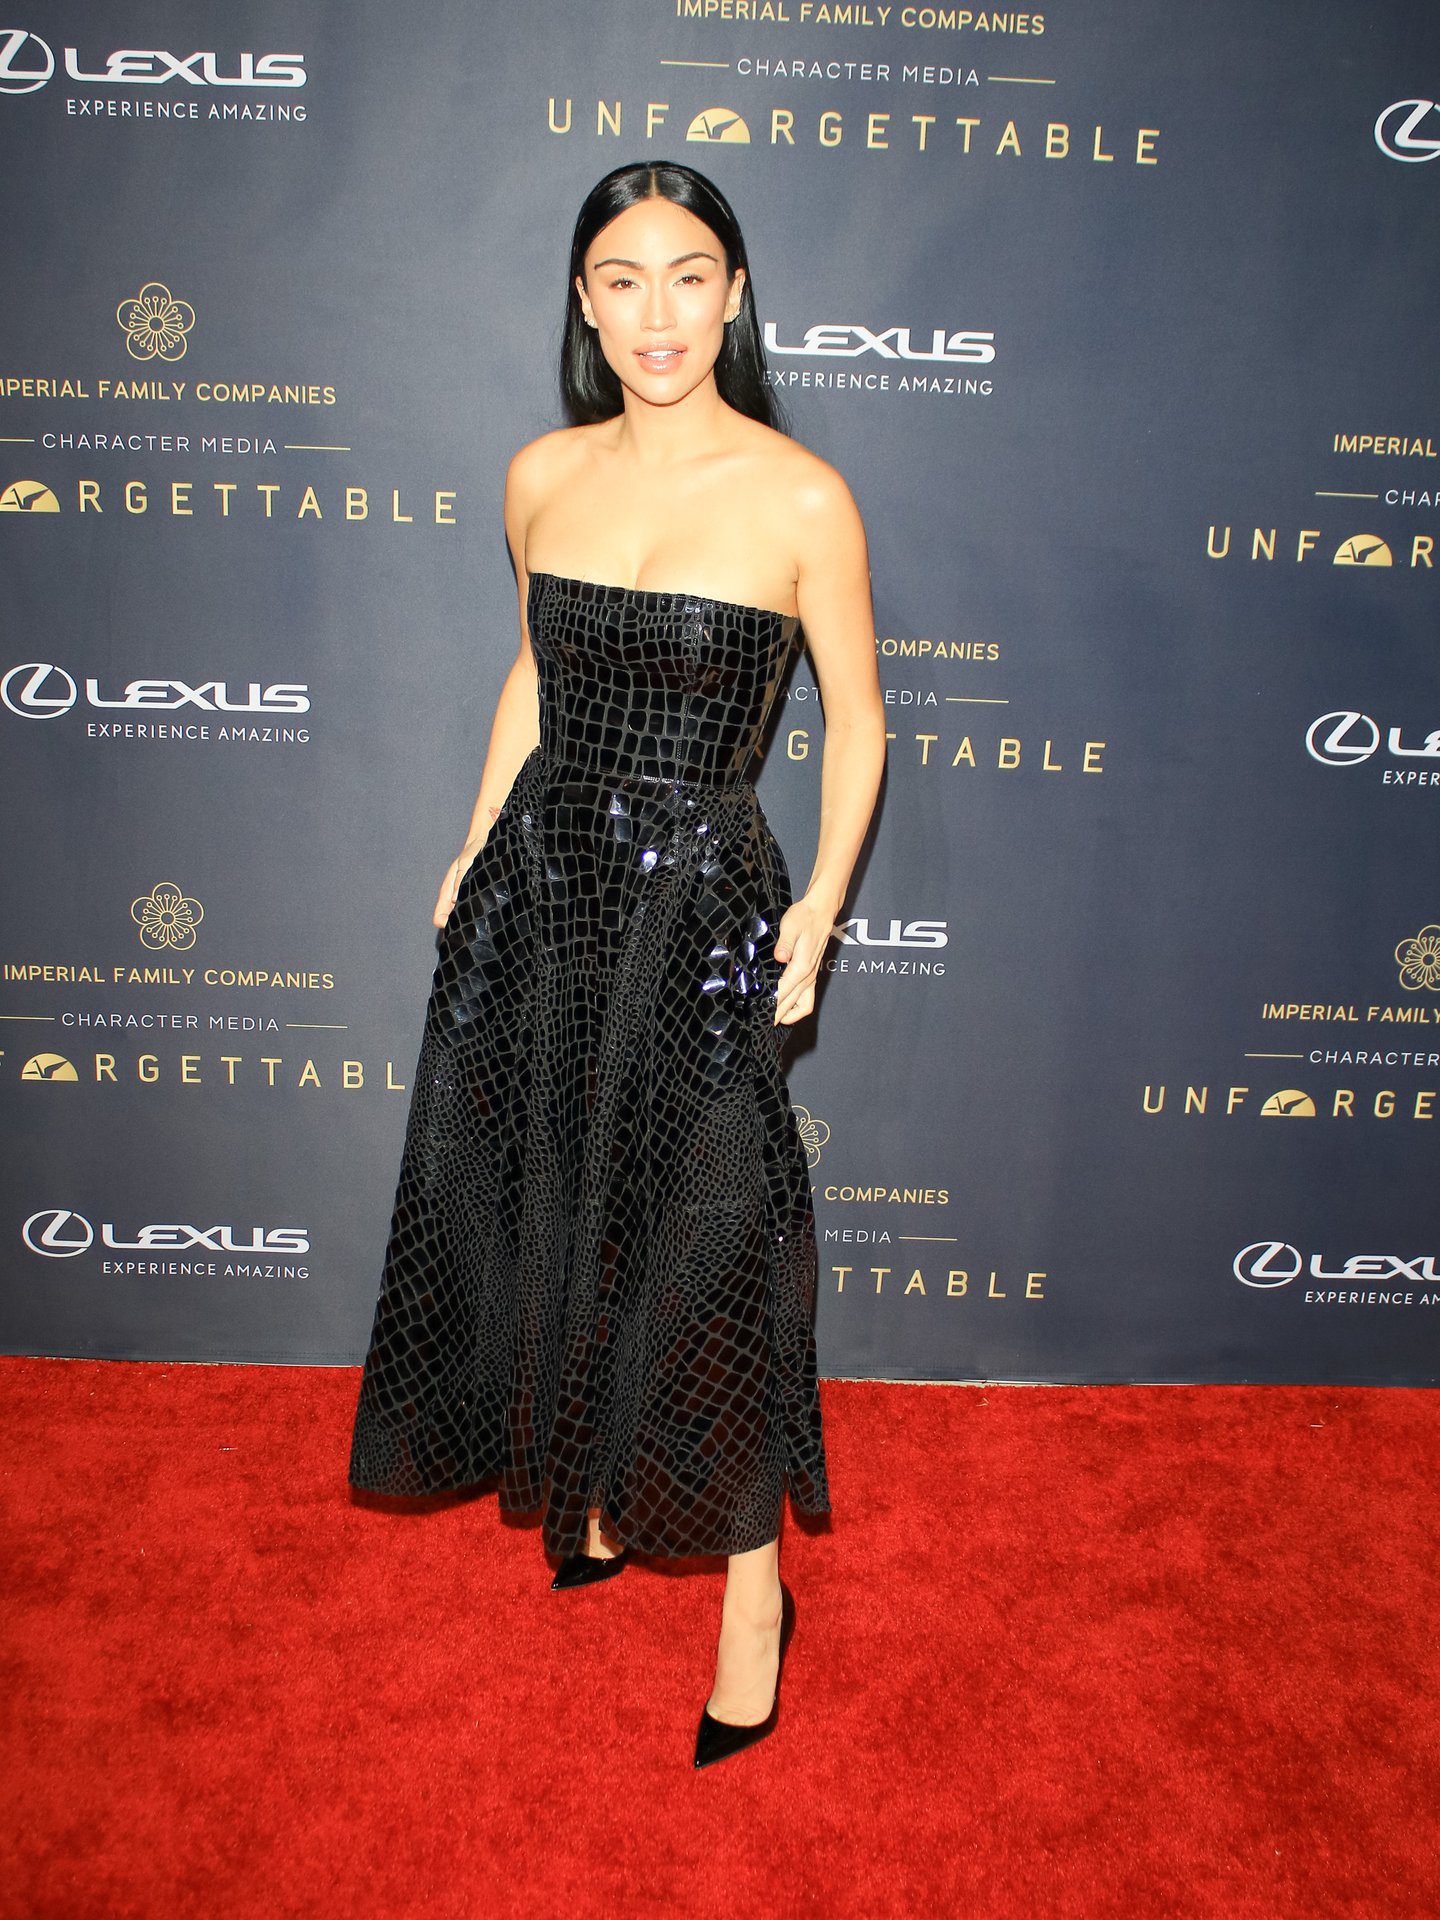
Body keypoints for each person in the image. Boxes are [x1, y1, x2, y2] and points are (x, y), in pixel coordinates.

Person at [348, 159, 886, 1768]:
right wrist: (473, 838)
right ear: (584, 302)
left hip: (707, 900)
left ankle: (752, 1597)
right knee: (550, 1193)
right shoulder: (539, 475)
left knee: (709, 1240)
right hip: (547, 879)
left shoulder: (801, 497)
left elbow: (860, 722)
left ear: (736, 293)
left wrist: (821, 908)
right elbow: (531, 670)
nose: (659, 312)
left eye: (690, 274)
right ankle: (587, 1483)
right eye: (624, 279)